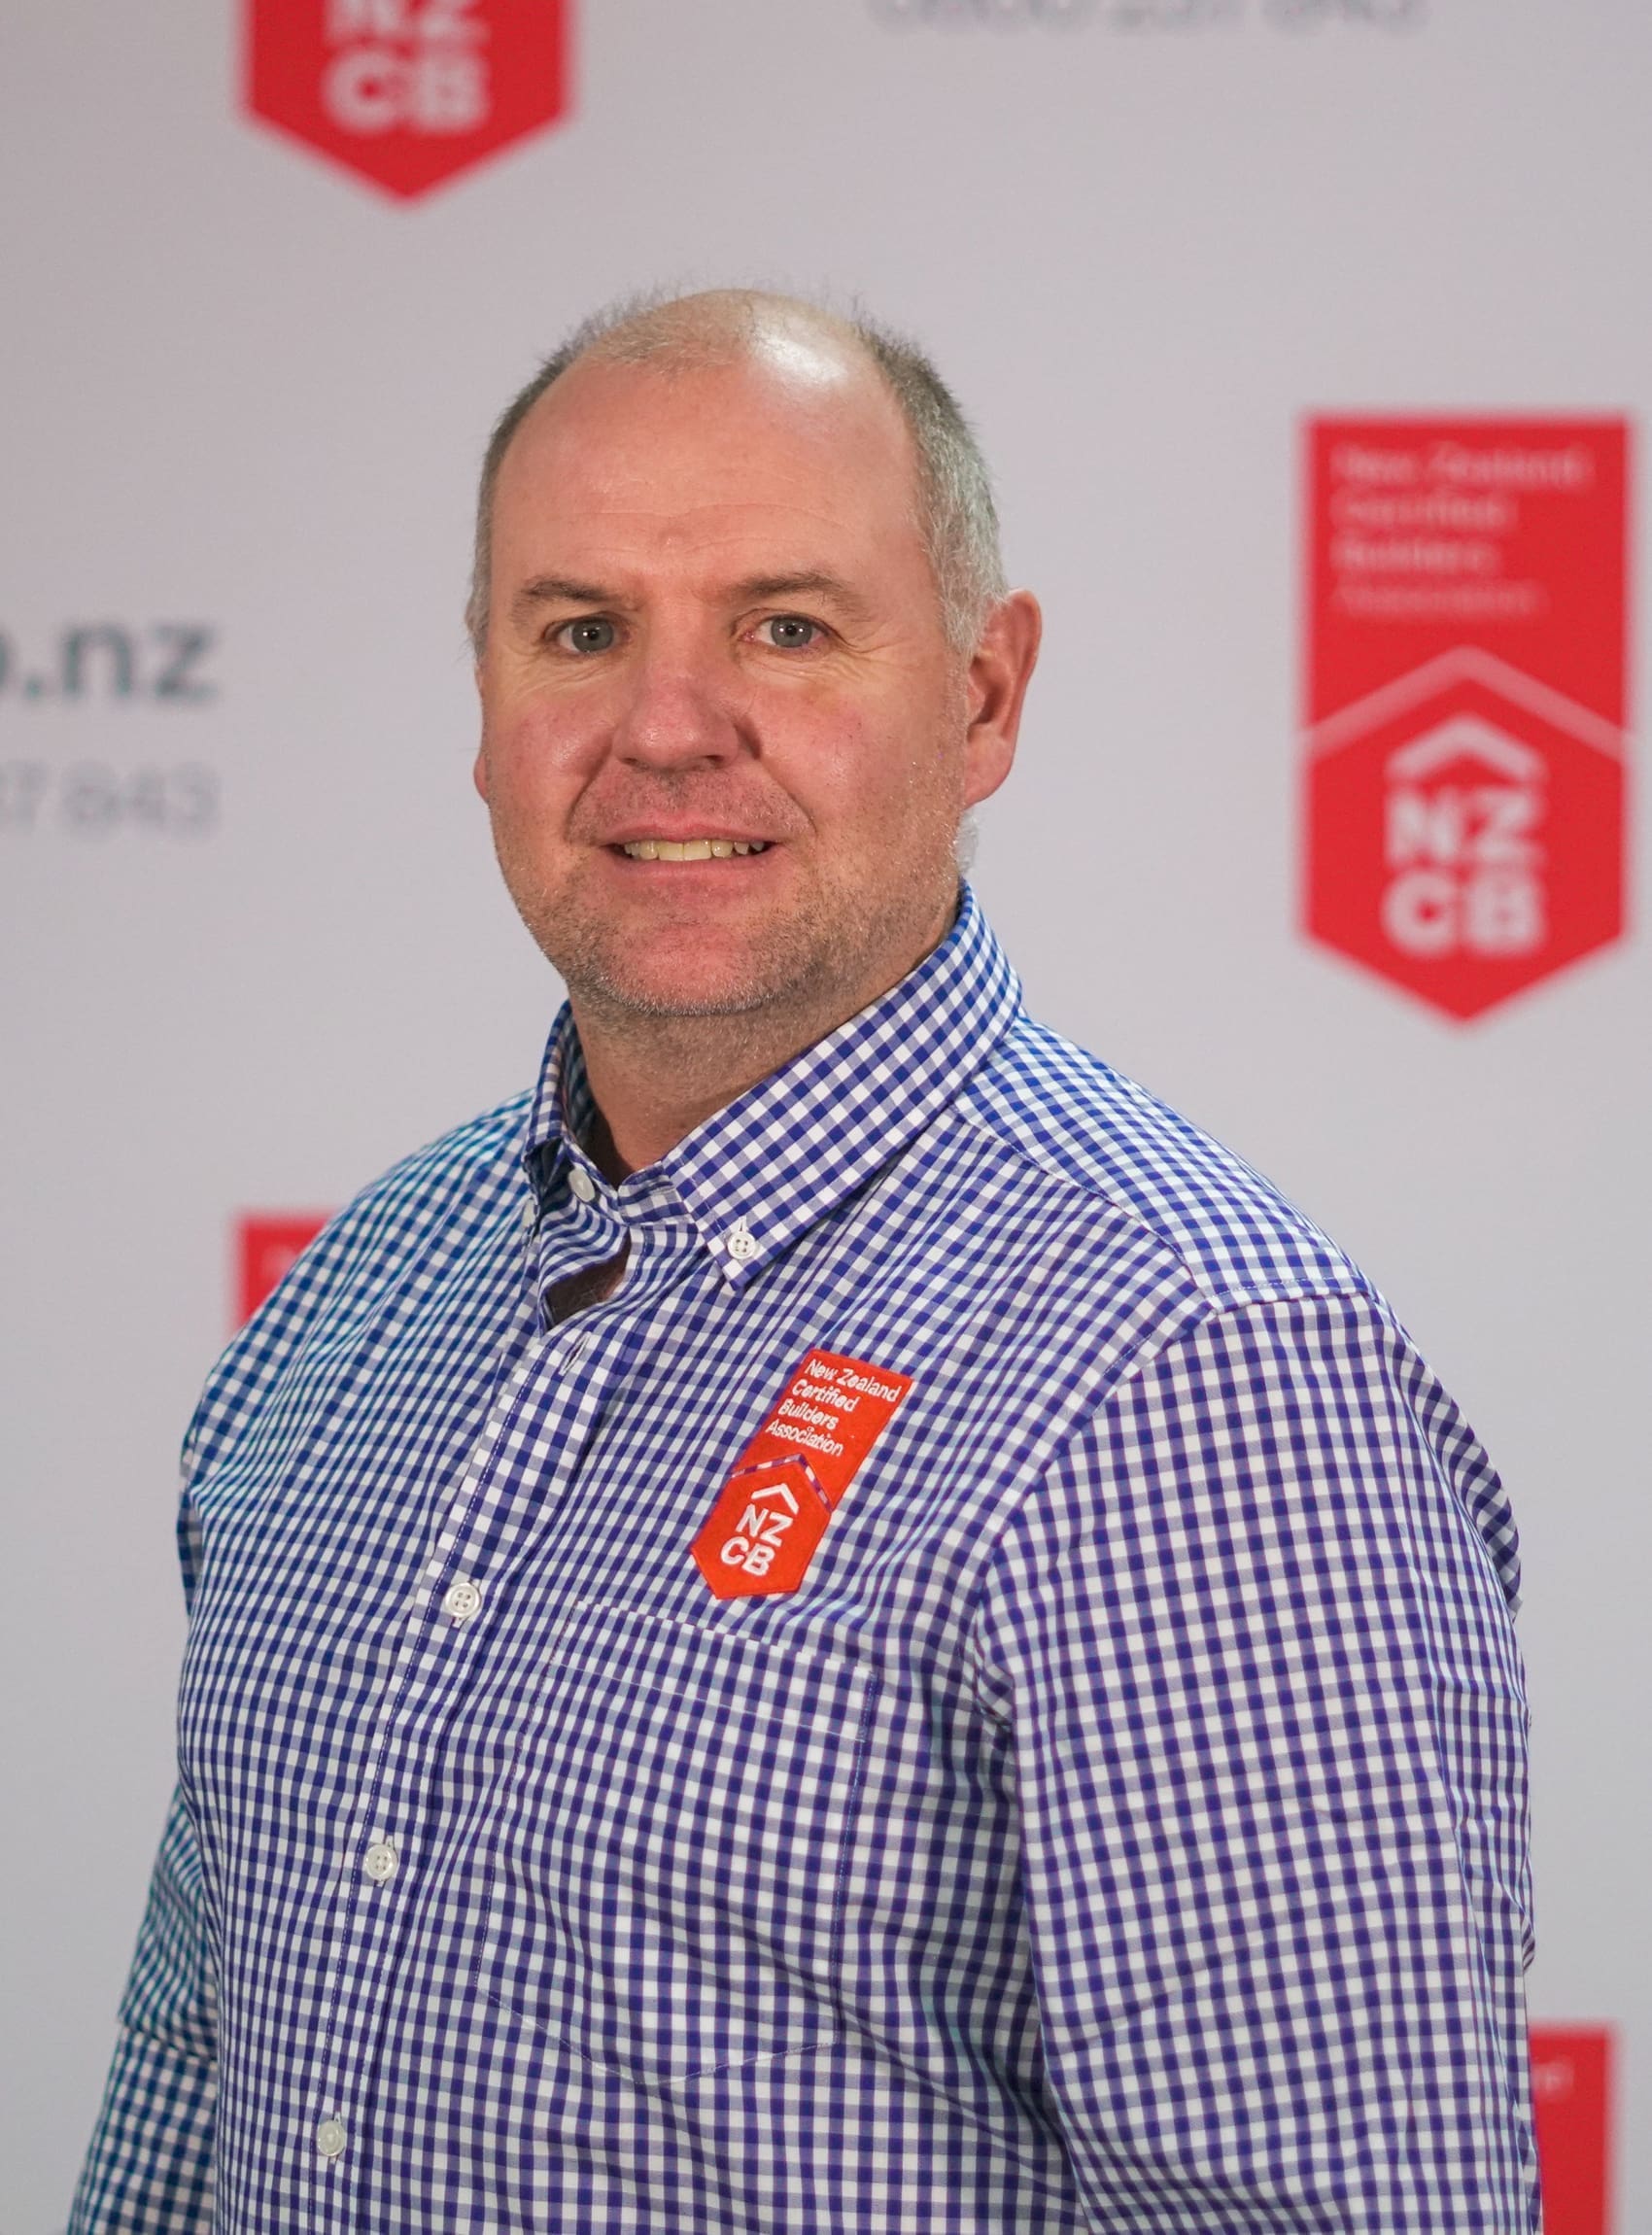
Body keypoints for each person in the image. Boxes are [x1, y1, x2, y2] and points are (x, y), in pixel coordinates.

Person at [72, 290, 1537, 2233]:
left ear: (983, 697)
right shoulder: (362, 1292)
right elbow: (194, 2081)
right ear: (486, 701)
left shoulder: (1194, 1372)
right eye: (581, 633)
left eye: (785, 627)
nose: (667, 730)